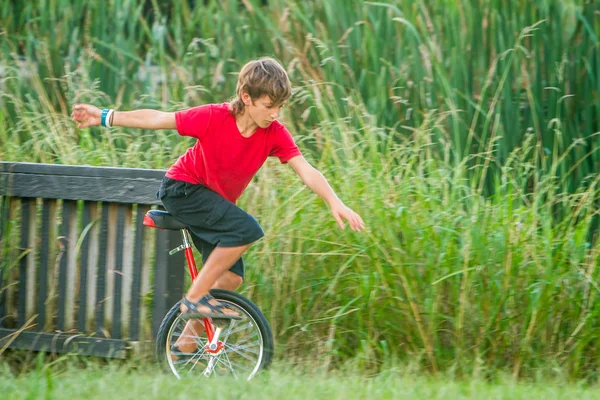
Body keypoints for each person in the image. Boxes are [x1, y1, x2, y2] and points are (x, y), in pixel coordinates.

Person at [71, 57, 365, 354]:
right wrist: (104, 116)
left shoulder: (273, 133)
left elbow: (306, 169)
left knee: (231, 277)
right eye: (268, 105)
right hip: (183, 189)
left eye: (280, 106)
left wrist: (334, 202)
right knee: (246, 229)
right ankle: (195, 297)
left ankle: (184, 344)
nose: (275, 114)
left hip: (212, 204)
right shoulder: (214, 117)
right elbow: (159, 118)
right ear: (246, 97)